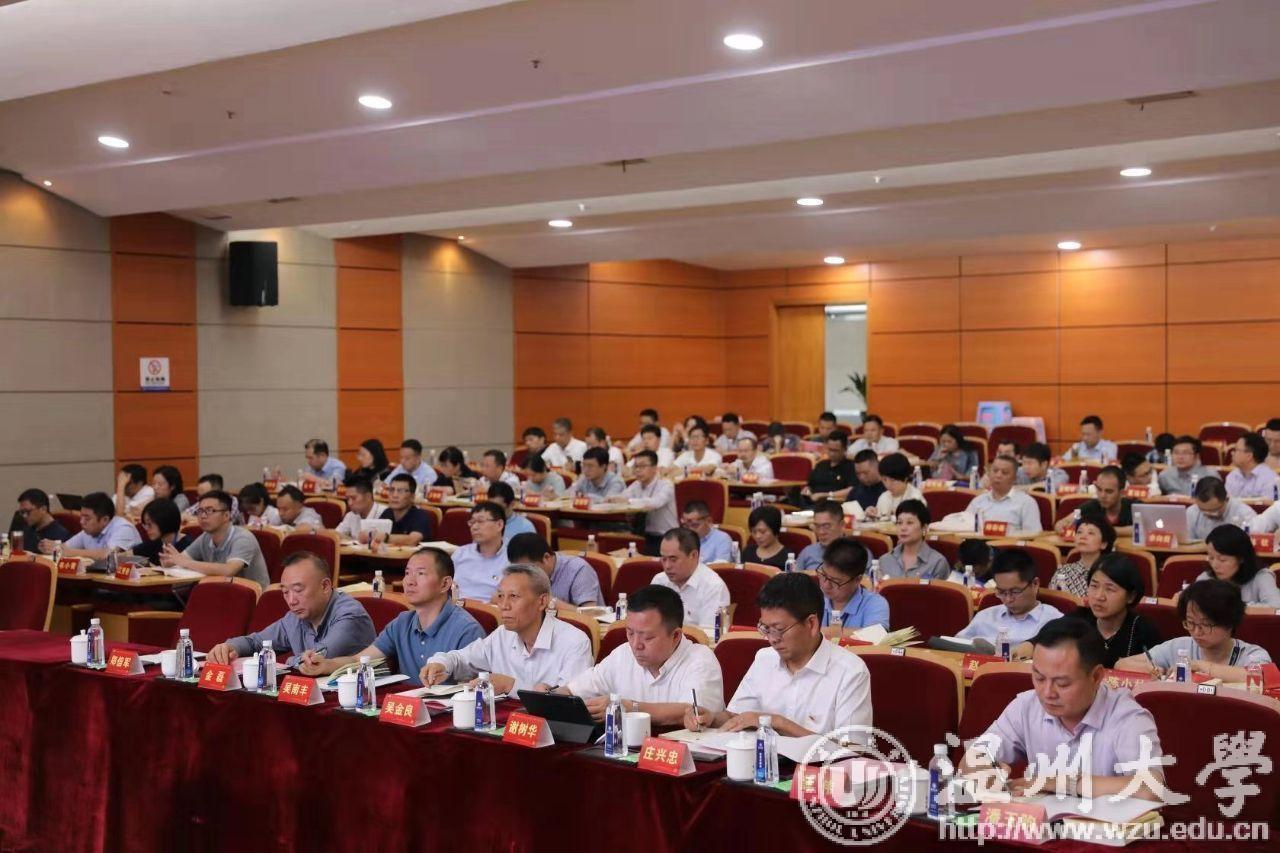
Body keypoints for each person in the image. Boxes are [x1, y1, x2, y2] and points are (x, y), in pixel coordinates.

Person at [961, 618, 1166, 800]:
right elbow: (970, 759)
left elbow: (1151, 789)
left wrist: (1060, 783)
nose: (1047, 693)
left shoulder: (1127, 717)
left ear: (1096, 676)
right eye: (1039, 678)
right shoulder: (1027, 706)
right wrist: (986, 773)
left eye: (1062, 683)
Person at [683, 573, 871, 737]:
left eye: (779, 629)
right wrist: (711, 718)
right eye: (765, 628)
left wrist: (777, 723)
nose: (772, 639)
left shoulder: (850, 671)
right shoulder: (764, 658)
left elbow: (850, 750)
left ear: (811, 624)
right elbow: (739, 717)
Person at [299, 548, 483, 686]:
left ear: (445, 584)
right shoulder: (402, 622)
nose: (409, 581)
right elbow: (358, 660)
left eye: (420, 573)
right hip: (405, 711)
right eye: (407, 573)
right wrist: (326, 664)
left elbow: (474, 689)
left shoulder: (467, 630)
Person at [563, 584, 725, 725]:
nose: (636, 645)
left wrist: (630, 708)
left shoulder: (700, 660)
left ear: (675, 636)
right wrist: (552, 695)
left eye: (648, 637)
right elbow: (574, 690)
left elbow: (694, 712)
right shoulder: (623, 654)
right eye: (630, 633)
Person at [422, 564, 594, 693]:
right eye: (500, 596)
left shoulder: (574, 642)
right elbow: (460, 659)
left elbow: (569, 701)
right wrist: (441, 664)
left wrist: (510, 686)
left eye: (513, 596)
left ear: (542, 601)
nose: (503, 605)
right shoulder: (502, 635)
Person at [206, 551, 374, 666]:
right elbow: (256, 642)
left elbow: (315, 660)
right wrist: (230, 647)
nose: (291, 601)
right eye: (285, 592)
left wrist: (287, 661)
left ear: (325, 586)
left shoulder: (350, 615)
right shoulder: (295, 618)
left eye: (298, 590)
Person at [1118, 579, 1271, 682]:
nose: (1196, 632)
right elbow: (1121, 664)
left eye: (1206, 625)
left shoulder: (1251, 654)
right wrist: (1153, 669)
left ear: (1230, 623)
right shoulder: (1179, 646)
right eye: (1190, 623)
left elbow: (1263, 677)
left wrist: (1200, 666)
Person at [1029, 554, 1160, 667]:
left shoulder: (1143, 630)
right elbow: (1040, 640)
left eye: (1110, 589)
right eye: (1094, 586)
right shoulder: (1078, 620)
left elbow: (1158, 671)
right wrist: (1026, 647)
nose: (1099, 596)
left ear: (1131, 596)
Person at [159, 490, 269, 586]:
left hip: (253, 598)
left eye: (210, 510)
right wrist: (170, 561)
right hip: (221, 593)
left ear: (226, 515)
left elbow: (229, 570)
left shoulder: (243, 538)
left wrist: (185, 562)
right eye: (200, 511)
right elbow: (181, 559)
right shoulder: (205, 537)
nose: (203, 516)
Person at [954, 549, 1062, 645]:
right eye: (1001, 592)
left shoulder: (1053, 621)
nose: (1008, 600)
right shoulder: (985, 616)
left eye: (1015, 592)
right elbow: (955, 645)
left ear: (1035, 584)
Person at [651, 527, 731, 628]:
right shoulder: (659, 581)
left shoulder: (714, 587)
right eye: (663, 559)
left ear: (693, 555)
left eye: (673, 559)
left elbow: (710, 634)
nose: (667, 566)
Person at [1194, 524, 1280, 607]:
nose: (1215, 565)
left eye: (1222, 560)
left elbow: (1276, 605)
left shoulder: (1261, 577)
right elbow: (1192, 603)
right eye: (1211, 558)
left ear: (1241, 558)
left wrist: (1236, 607)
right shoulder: (1206, 578)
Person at [507, 532, 602, 607]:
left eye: (528, 569)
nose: (524, 575)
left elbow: (589, 615)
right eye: (518, 569)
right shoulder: (518, 572)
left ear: (546, 558)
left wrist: (549, 602)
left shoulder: (579, 569)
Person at [38, 491, 140, 560]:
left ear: (105, 519)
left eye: (87, 518)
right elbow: (65, 547)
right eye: (81, 516)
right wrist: (51, 547)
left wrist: (67, 552)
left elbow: (108, 555)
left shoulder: (123, 528)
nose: (81, 522)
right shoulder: (88, 531)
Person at [817, 537, 889, 631]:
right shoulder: (812, 597)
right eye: (823, 575)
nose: (826, 585)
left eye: (836, 581)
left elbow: (875, 635)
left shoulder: (874, 603)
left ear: (858, 580)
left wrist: (821, 632)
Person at [623, 449, 677, 554]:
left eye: (642, 466)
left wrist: (629, 501)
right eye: (636, 466)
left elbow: (655, 503)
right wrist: (614, 499)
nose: (638, 470)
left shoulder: (666, 485)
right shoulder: (636, 485)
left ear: (654, 468)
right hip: (643, 535)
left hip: (666, 537)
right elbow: (622, 498)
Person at [878, 499, 949, 580]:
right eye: (899, 523)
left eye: (909, 523)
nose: (903, 528)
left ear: (924, 528)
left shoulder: (937, 562)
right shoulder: (885, 560)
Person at [969, 455, 1043, 533]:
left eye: (1004, 473)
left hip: (1012, 541)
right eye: (995, 471)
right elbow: (963, 528)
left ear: (1014, 478)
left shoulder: (1027, 503)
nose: (998, 475)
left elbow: (1034, 534)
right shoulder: (978, 501)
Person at [451, 501, 508, 600]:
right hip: (457, 606)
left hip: (491, 609)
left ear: (499, 525)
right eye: (472, 522)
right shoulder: (460, 553)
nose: (474, 527)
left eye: (480, 521)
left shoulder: (511, 559)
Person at [1049, 516, 1116, 598]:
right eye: (1079, 532)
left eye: (1091, 533)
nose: (1083, 536)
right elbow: (1053, 601)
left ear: (1104, 544)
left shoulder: (1111, 574)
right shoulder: (1063, 571)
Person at [1053, 465, 1131, 533]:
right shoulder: (1091, 506)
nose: (1102, 495)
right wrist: (1061, 525)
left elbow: (1137, 529)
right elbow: (1065, 521)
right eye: (1099, 489)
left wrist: (1104, 531)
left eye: (1109, 491)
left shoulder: (1134, 507)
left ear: (1122, 493)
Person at [1186, 477, 1256, 541]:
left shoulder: (1245, 514)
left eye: (1213, 510)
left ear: (1226, 499)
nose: (1208, 514)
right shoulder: (1192, 512)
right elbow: (1187, 543)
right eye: (1202, 510)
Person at [130, 498, 195, 564]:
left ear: (164, 521)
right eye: (145, 525)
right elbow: (128, 554)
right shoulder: (156, 542)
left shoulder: (188, 546)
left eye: (149, 524)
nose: (146, 528)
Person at [378, 473, 434, 545]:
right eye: (391, 490)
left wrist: (386, 538)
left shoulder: (420, 516)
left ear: (412, 497)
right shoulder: (387, 513)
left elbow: (413, 540)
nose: (395, 495)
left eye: (400, 491)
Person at [1156, 435, 1220, 497]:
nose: (1180, 457)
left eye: (1185, 453)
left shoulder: (1209, 475)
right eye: (1176, 453)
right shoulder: (1165, 476)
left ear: (1197, 456)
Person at [804, 432, 858, 504]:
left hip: (835, 503)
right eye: (830, 450)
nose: (832, 454)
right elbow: (810, 485)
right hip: (813, 502)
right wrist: (807, 491)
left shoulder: (851, 467)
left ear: (844, 449)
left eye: (835, 451)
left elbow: (852, 490)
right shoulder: (821, 465)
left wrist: (827, 495)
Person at [866, 452, 922, 520]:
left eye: (893, 480)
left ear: (905, 478)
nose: (888, 485)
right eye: (884, 479)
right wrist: (872, 514)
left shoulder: (915, 498)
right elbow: (878, 519)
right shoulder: (884, 497)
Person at [1226, 432, 1279, 499]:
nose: (1232, 453)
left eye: (1236, 450)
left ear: (1249, 456)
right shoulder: (1233, 475)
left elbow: (1269, 505)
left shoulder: (1270, 480)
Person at [796, 500, 844, 571]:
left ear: (841, 525)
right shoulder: (808, 552)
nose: (821, 532)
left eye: (826, 526)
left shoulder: (856, 554)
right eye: (817, 526)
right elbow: (793, 576)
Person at [741, 505, 788, 570]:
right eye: (754, 532)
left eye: (763, 532)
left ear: (775, 529)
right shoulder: (747, 552)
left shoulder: (787, 558)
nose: (757, 536)